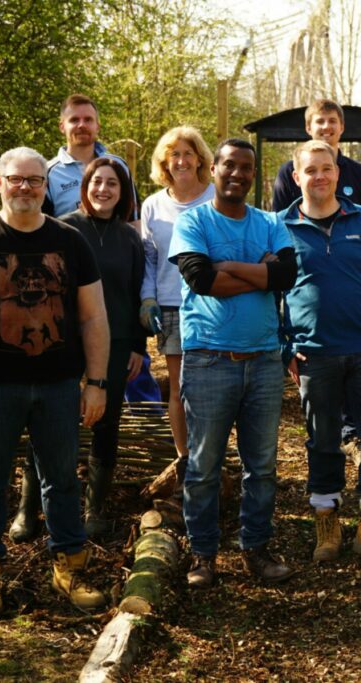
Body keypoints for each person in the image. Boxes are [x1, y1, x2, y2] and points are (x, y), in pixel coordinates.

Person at [0, 147, 109, 617]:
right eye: (16, 180)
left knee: (62, 482)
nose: (26, 188)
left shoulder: (70, 242)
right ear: (0, 183)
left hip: (57, 386)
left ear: (46, 186)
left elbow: (94, 318)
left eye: (35, 180)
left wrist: (96, 382)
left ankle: (69, 566)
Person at [168, 138, 299, 588]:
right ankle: (202, 554)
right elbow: (201, 279)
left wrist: (230, 265)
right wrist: (257, 274)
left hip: (264, 360)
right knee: (203, 465)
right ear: (213, 169)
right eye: (229, 166)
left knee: (261, 466)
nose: (238, 174)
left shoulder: (269, 222)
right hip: (208, 358)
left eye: (246, 167)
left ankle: (255, 549)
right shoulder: (193, 221)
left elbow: (287, 275)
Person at [279, 140, 361, 566]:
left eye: (327, 168)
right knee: (323, 441)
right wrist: (285, 349)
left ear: (338, 173)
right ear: (297, 177)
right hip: (314, 355)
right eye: (310, 170)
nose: (320, 176)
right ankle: (327, 520)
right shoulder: (280, 227)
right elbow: (271, 295)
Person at [271, 98, 361, 461]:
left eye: (332, 121)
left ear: (341, 127)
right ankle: (325, 496)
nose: (326, 127)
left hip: (357, 315)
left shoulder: (360, 175)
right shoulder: (289, 174)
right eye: (320, 121)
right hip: (311, 326)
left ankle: (359, 449)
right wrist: (285, 339)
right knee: (321, 428)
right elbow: (280, 242)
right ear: (309, 127)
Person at [57, 158, 146, 536]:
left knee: (106, 423)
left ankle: (94, 510)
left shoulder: (130, 238)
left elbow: (137, 291)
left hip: (117, 341)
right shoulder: (63, 230)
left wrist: (138, 346)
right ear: (85, 186)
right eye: (97, 182)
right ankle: (33, 509)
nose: (103, 190)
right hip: (66, 341)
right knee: (55, 422)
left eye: (112, 184)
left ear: (122, 192)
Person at [139, 127, 215, 482]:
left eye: (188, 153)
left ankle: (212, 455)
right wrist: (148, 298)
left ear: (200, 158)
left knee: (212, 385)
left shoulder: (216, 197)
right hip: (171, 306)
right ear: (164, 163)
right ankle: (184, 458)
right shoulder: (154, 204)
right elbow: (149, 259)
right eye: (174, 155)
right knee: (179, 385)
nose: (182, 161)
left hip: (214, 303)